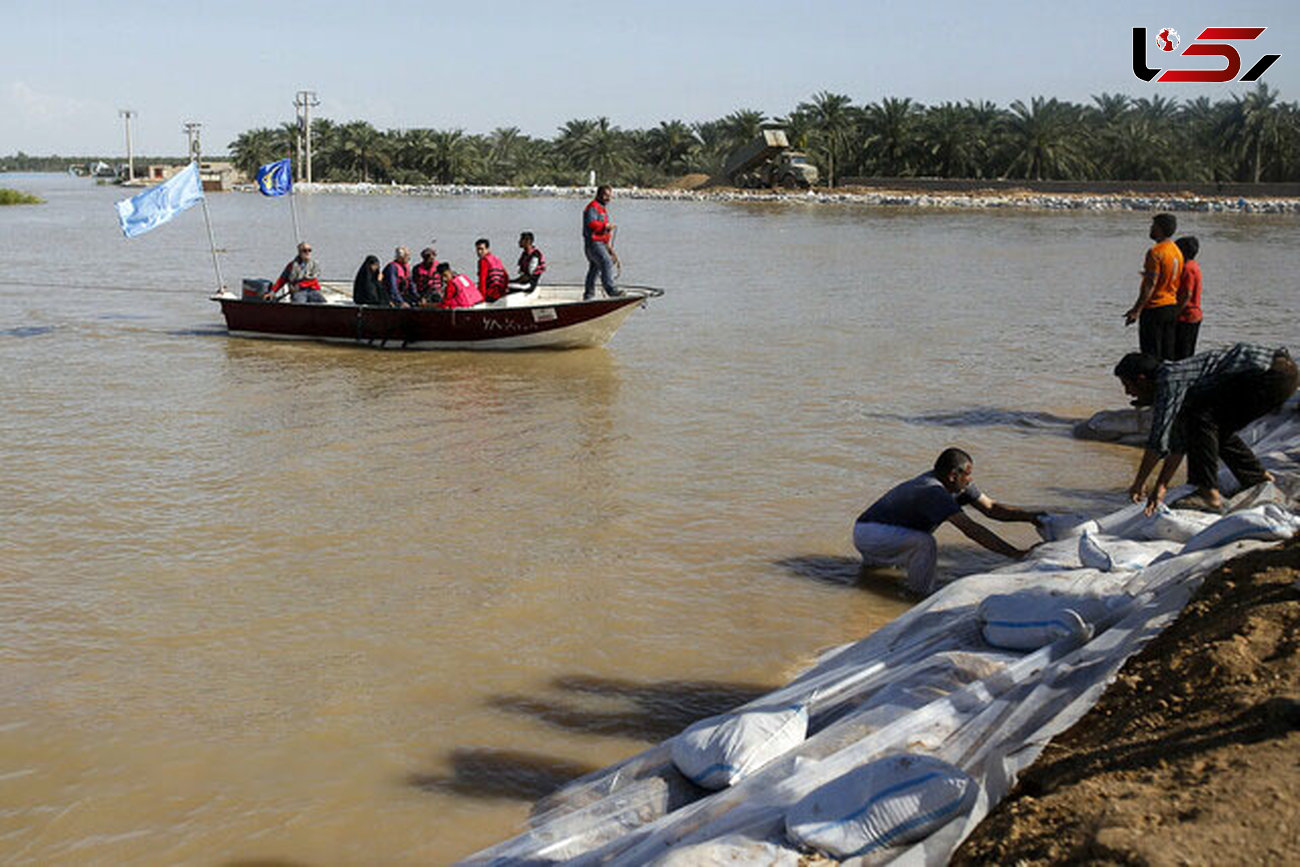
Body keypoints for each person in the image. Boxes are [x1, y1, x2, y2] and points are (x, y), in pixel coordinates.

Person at [1114, 343, 1298, 514]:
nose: (1128, 393)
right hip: (1285, 374)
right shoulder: (1177, 377)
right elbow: (1177, 441)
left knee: (1201, 420)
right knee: (1214, 427)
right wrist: (1161, 485)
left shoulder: (1169, 379)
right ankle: (1256, 477)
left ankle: (1208, 494)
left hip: (1272, 376)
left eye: (1127, 385)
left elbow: (1159, 438)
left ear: (1142, 379)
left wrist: (1138, 483)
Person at [852, 448, 1044, 596]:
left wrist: (1030, 517)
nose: (970, 479)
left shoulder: (958, 485)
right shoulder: (933, 491)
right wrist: (1014, 553)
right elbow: (970, 529)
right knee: (924, 543)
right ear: (953, 476)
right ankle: (919, 596)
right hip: (871, 532)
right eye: (967, 474)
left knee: (876, 577)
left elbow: (991, 508)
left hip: (885, 532)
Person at [1124, 213, 1183, 360]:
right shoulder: (1177, 251)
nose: (1150, 229)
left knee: (1150, 356)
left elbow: (1151, 284)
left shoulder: (1155, 252)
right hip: (1171, 306)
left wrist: (1136, 310)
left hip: (1155, 308)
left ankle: (1151, 382)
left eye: (1153, 226)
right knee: (1167, 355)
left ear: (1160, 229)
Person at [582, 185, 623, 299]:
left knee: (594, 268)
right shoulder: (593, 207)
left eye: (609, 196)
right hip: (593, 243)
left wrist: (608, 247)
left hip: (600, 244)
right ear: (598, 195)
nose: (608, 198)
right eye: (605, 195)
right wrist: (606, 226)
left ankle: (588, 295)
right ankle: (610, 290)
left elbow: (601, 230)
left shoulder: (601, 208)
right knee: (606, 262)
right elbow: (591, 223)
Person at [1173, 236, 1203, 360]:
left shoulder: (1188, 268)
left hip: (1187, 316)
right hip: (1192, 315)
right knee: (1186, 353)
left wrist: (1174, 313)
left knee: (1182, 354)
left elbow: (1187, 294)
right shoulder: (1193, 265)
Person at [475, 238, 510, 303]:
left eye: (482, 249)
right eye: (478, 249)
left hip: (491, 294)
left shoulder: (483, 261)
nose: (479, 252)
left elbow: (482, 280)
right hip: (500, 293)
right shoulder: (496, 259)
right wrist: (504, 291)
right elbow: (506, 277)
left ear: (487, 249)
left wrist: (481, 298)